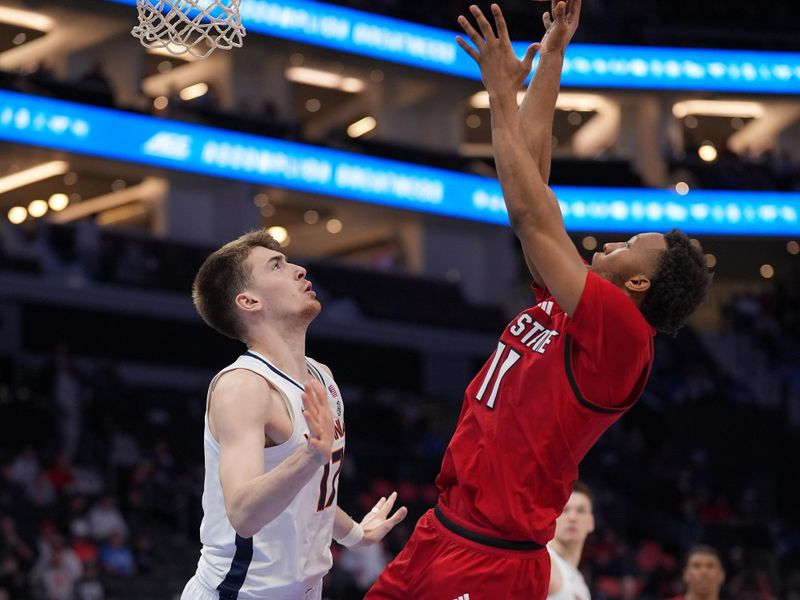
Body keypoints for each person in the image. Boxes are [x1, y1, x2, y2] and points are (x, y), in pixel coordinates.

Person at [367, 2, 712, 598]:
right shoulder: (578, 309)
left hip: (493, 560)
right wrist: (552, 55)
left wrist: (500, 95)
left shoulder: (622, 337)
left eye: (632, 244)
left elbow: (530, 214)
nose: (614, 240)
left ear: (639, 286)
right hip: (441, 532)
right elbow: (533, 180)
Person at [182, 230, 407, 600]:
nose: (299, 270)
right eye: (277, 265)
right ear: (249, 301)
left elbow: (304, 492)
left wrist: (354, 534)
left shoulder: (322, 376)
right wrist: (308, 457)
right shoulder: (244, 387)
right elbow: (243, 514)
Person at [547, 482, 593, 600]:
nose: (572, 517)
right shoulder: (544, 565)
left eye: (581, 511)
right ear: (552, 517)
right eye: (565, 510)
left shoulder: (579, 582)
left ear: (591, 522)